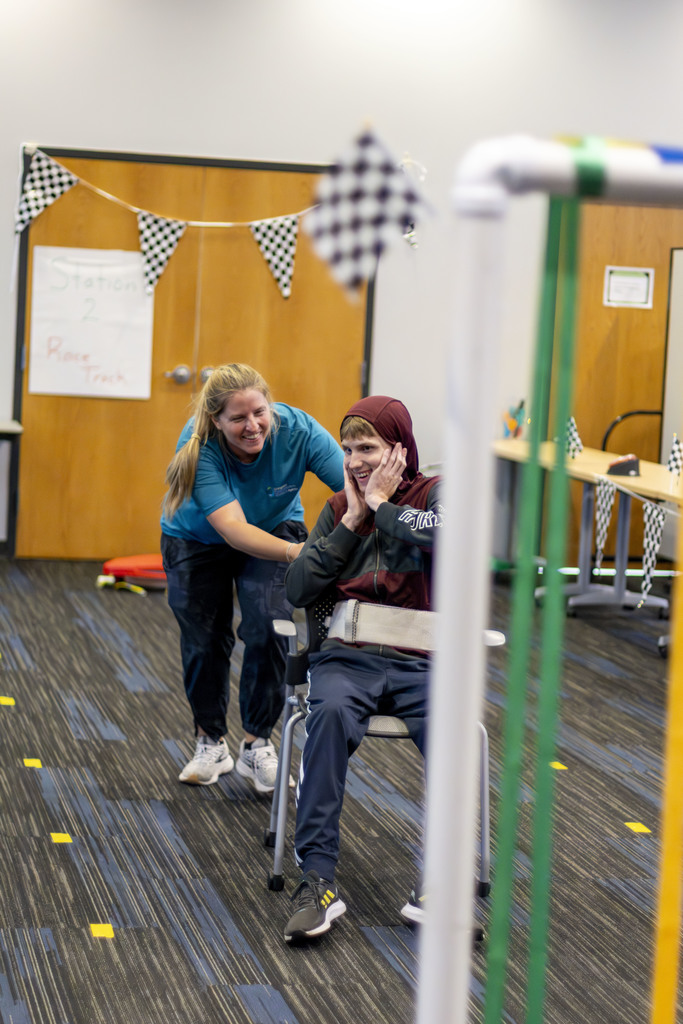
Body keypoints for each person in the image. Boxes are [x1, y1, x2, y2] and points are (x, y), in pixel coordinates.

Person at [282, 395, 442, 943]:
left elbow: (446, 534)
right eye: (347, 449)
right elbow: (298, 587)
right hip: (346, 660)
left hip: (421, 666)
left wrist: (382, 505)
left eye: (367, 448)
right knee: (326, 717)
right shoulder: (337, 508)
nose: (353, 461)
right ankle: (317, 881)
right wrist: (353, 519)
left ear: (399, 449)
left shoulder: (434, 495)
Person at [161, 363, 345, 794]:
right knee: (205, 639)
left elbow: (353, 487)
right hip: (196, 538)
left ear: (270, 405)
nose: (253, 426)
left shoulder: (298, 431)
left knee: (269, 626)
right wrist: (301, 553)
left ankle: (256, 744)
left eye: (260, 412)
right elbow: (233, 529)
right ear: (215, 420)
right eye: (238, 418)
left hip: (275, 525)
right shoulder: (199, 445)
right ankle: (210, 741)